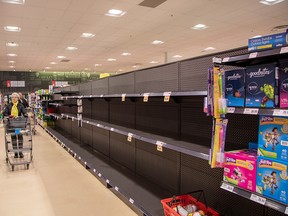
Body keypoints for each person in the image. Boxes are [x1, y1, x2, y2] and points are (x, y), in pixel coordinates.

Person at [3, 92, 28, 158]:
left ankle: (20, 152)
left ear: (18, 98)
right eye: (12, 97)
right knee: (13, 138)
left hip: (18, 125)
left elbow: (24, 112)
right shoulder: (8, 105)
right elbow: (5, 113)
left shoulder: (20, 105)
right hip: (11, 125)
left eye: (15, 97)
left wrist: (25, 115)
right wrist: (8, 116)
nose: (14, 98)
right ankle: (15, 153)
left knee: (19, 137)